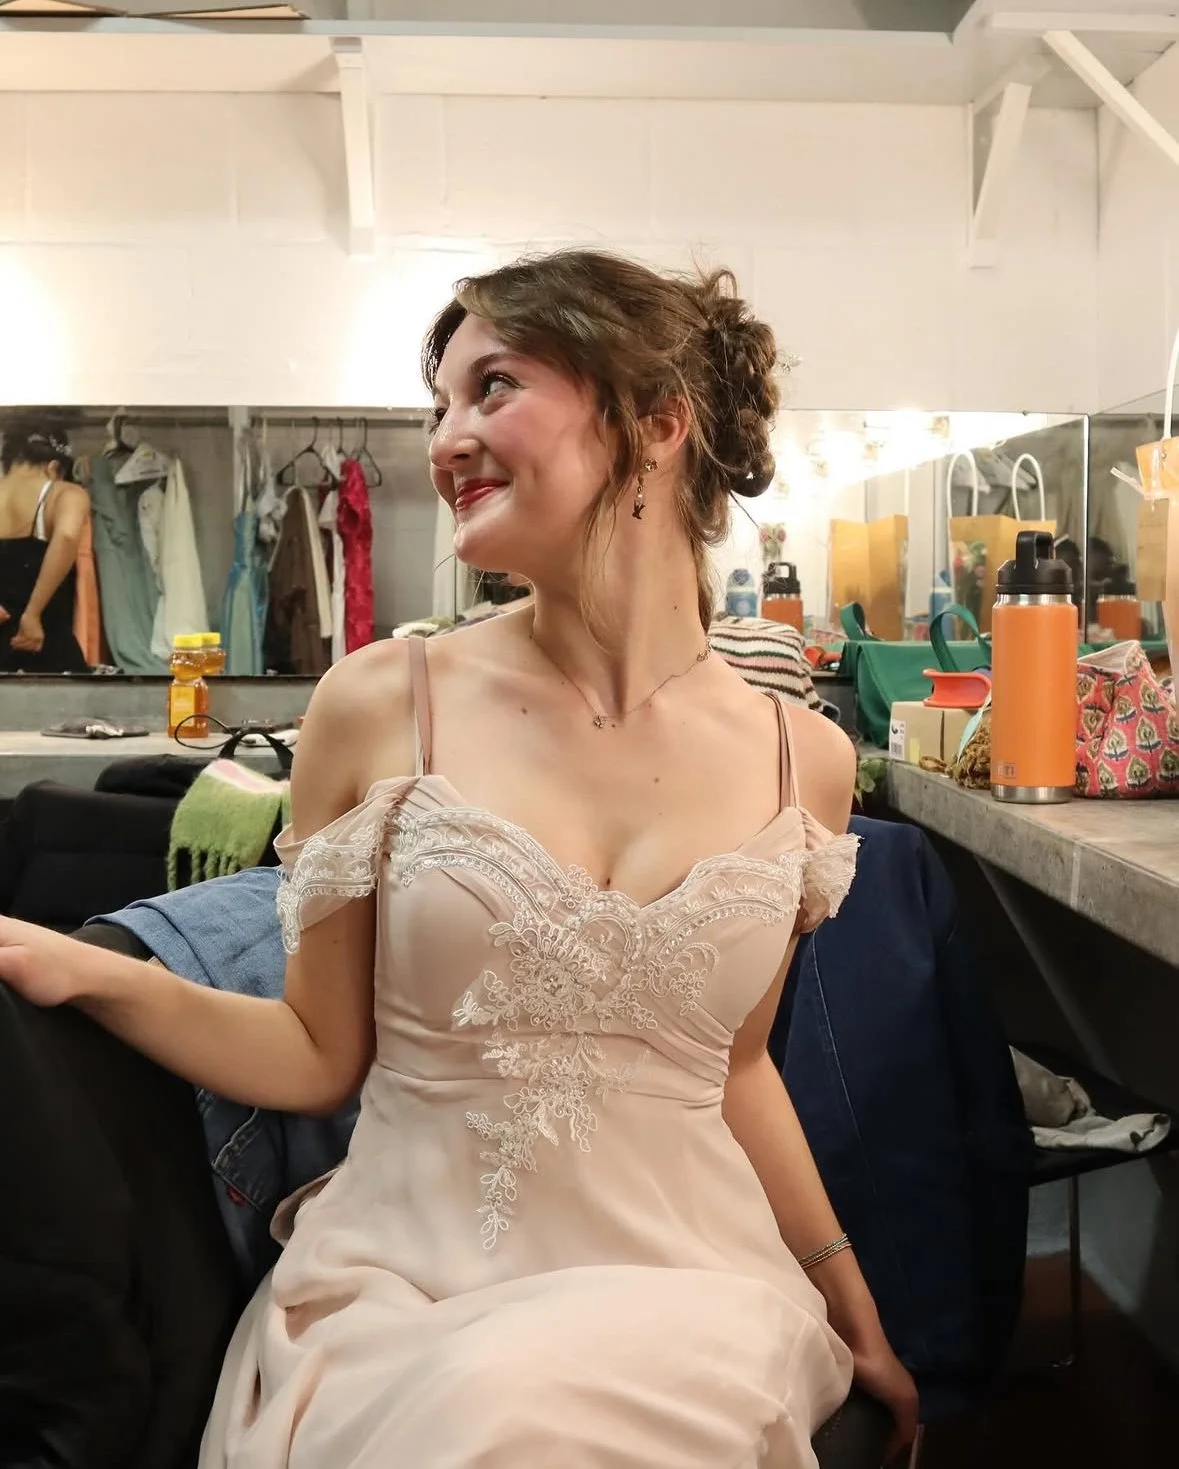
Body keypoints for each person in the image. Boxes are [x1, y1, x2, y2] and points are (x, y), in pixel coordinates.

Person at [0, 251, 917, 1467]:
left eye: (494, 387)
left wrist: (856, 1311)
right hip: (420, 1284)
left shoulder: (804, 760)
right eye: (441, 405)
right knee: (496, 1417)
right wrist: (102, 972)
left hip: (692, 1285)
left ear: (657, 421)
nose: (447, 438)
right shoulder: (385, 703)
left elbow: (737, 1071)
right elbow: (323, 1054)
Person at [0, 419, 90, 673]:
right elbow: (67, 537)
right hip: (44, 643)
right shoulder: (65, 493)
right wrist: (33, 614)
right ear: (54, 467)